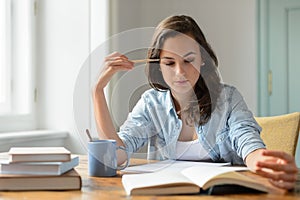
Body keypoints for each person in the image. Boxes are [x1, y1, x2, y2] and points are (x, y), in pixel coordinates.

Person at [93, 15, 298, 190]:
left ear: (202, 58)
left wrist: (261, 160)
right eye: (169, 63)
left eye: (188, 60)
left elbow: (248, 141)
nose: (180, 72)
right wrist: (98, 92)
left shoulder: (228, 99)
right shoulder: (151, 104)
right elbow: (117, 157)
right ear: (158, 65)